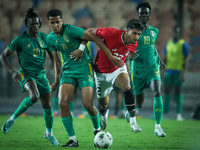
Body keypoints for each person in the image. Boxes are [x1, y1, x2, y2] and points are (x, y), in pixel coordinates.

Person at [46, 9, 118, 147]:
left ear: (62, 21)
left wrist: (83, 48)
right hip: (68, 71)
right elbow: (56, 61)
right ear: (49, 23)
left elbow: (93, 37)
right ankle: (73, 139)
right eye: (52, 23)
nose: (55, 25)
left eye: (58, 22)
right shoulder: (50, 39)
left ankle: (97, 130)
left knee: (87, 104)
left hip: (85, 68)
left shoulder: (71, 30)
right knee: (62, 103)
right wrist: (56, 80)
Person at [0, 8, 60, 145]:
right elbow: (3, 55)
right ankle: (12, 119)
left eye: (37, 23)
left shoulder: (45, 38)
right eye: (32, 24)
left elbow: (54, 58)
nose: (36, 26)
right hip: (26, 74)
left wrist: (53, 72)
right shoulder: (20, 40)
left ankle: (49, 133)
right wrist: (12, 72)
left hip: (41, 75)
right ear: (27, 25)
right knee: (34, 96)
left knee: (47, 105)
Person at [86, 18, 144, 133]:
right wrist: (110, 56)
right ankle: (103, 113)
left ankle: (133, 122)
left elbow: (124, 51)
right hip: (101, 72)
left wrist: (130, 54)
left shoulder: (134, 44)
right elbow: (89, 32)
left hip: (117, 69)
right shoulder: (111, 33)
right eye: (134, 33)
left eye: (139, 34)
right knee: (103, 104)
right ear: (127, 31)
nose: (136, 37)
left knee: (127, 85)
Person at [127, 2, 166, 137]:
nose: (144, 15)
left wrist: (159, 60)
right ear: (138, 14)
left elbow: (152, 46)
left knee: (157, 91)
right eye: (142, 13)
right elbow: (123, 45)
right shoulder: (133, 31)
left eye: (146, 13)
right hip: (137, 70)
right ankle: (131, 110)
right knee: (139, 103)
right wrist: (128, 54)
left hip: (152, 68)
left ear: (149, 14)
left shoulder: (154, 31)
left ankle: (158, 127)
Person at [163, 26, 189, 121]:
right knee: (167, 92)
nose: (175, 34)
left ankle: (178, 114)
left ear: (179, 33)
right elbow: (165, 58)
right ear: (172, 33)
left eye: (177, 32)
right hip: (169, 72)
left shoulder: (183, 44)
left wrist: (183, 74)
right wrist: (162, 70)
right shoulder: (168, 44)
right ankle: (165, 113)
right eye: (174, 32)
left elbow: (186, 60)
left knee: (178, 93)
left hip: (178, 72)